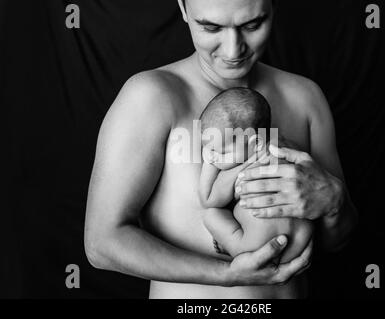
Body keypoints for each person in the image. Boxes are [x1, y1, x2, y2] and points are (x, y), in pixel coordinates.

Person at [84, 0, 358, 299]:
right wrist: (227, 275)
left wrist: (334, 203)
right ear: (184, 9)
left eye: (251, 25)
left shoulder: (305, 97)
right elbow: (102, 244)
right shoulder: (152, 96)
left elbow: (338, 242)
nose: (232, 50)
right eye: (211, 27)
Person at [198, 87, 313, 264]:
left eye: (220, 152)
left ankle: (229, 244)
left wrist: (208, 164)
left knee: (211, 215)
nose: (211, 154)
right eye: (207, 148)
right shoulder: (287, 147)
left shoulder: (236, 171)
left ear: (256, 143)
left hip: (254, 247)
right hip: (302, 241)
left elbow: (208, 200)